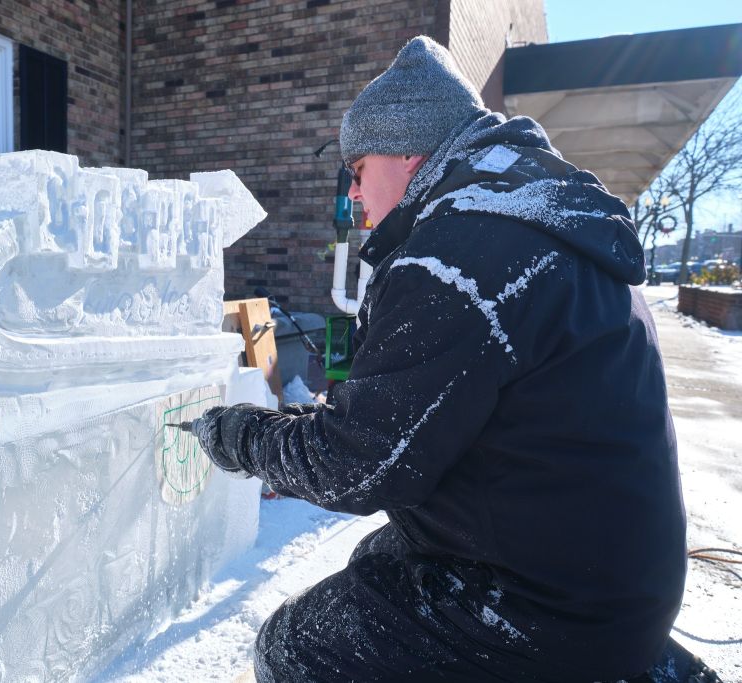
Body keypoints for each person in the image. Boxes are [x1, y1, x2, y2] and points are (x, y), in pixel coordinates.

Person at [193, 36, 692, 682]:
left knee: (295, 645)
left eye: (358, 166)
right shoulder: (520, 217)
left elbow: (354, 465)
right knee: (376, 562)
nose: (353, 194)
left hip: (554, 610)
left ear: (408, 151)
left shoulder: (460, 255)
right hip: (602, 580)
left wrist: (240, 436)